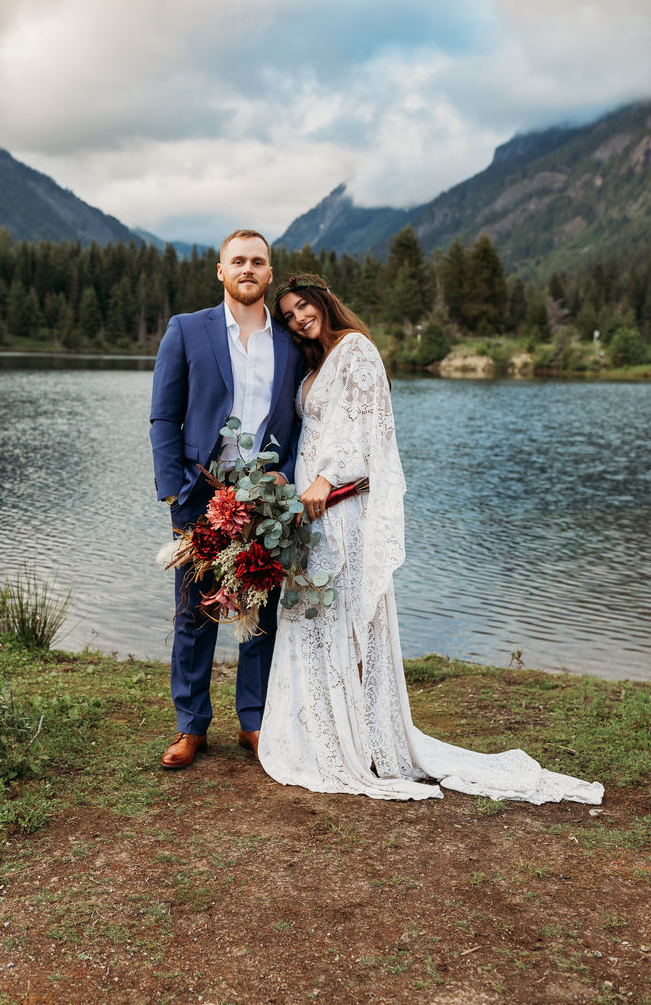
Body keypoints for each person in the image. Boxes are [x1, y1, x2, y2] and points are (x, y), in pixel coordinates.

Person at [257, 273, 604, 805]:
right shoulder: (315, 363)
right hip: (308, 511)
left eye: (303, 306)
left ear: (323, 301)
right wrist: (291, 480)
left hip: (341, 506)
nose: (298, 318)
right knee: (314, 614)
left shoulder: (356, 348)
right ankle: (322, 730)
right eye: (288, 315)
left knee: (349, 614)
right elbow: (316, 430)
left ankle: (365, 741)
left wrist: (329, 477)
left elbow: (366, 426)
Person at [150, 230, 304, 770]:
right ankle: (190, 728)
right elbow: (164, 416)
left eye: (257, 262)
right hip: (199, 496)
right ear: (221, 271)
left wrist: (284, 479)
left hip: (264, 502)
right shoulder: (188, 330)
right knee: (194, 614)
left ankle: (253, 722)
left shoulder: (290, 343)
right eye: (237, 260)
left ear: (268, 272)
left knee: (257, 612)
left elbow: (296, 422)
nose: (247, 269)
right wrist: (173, 490)